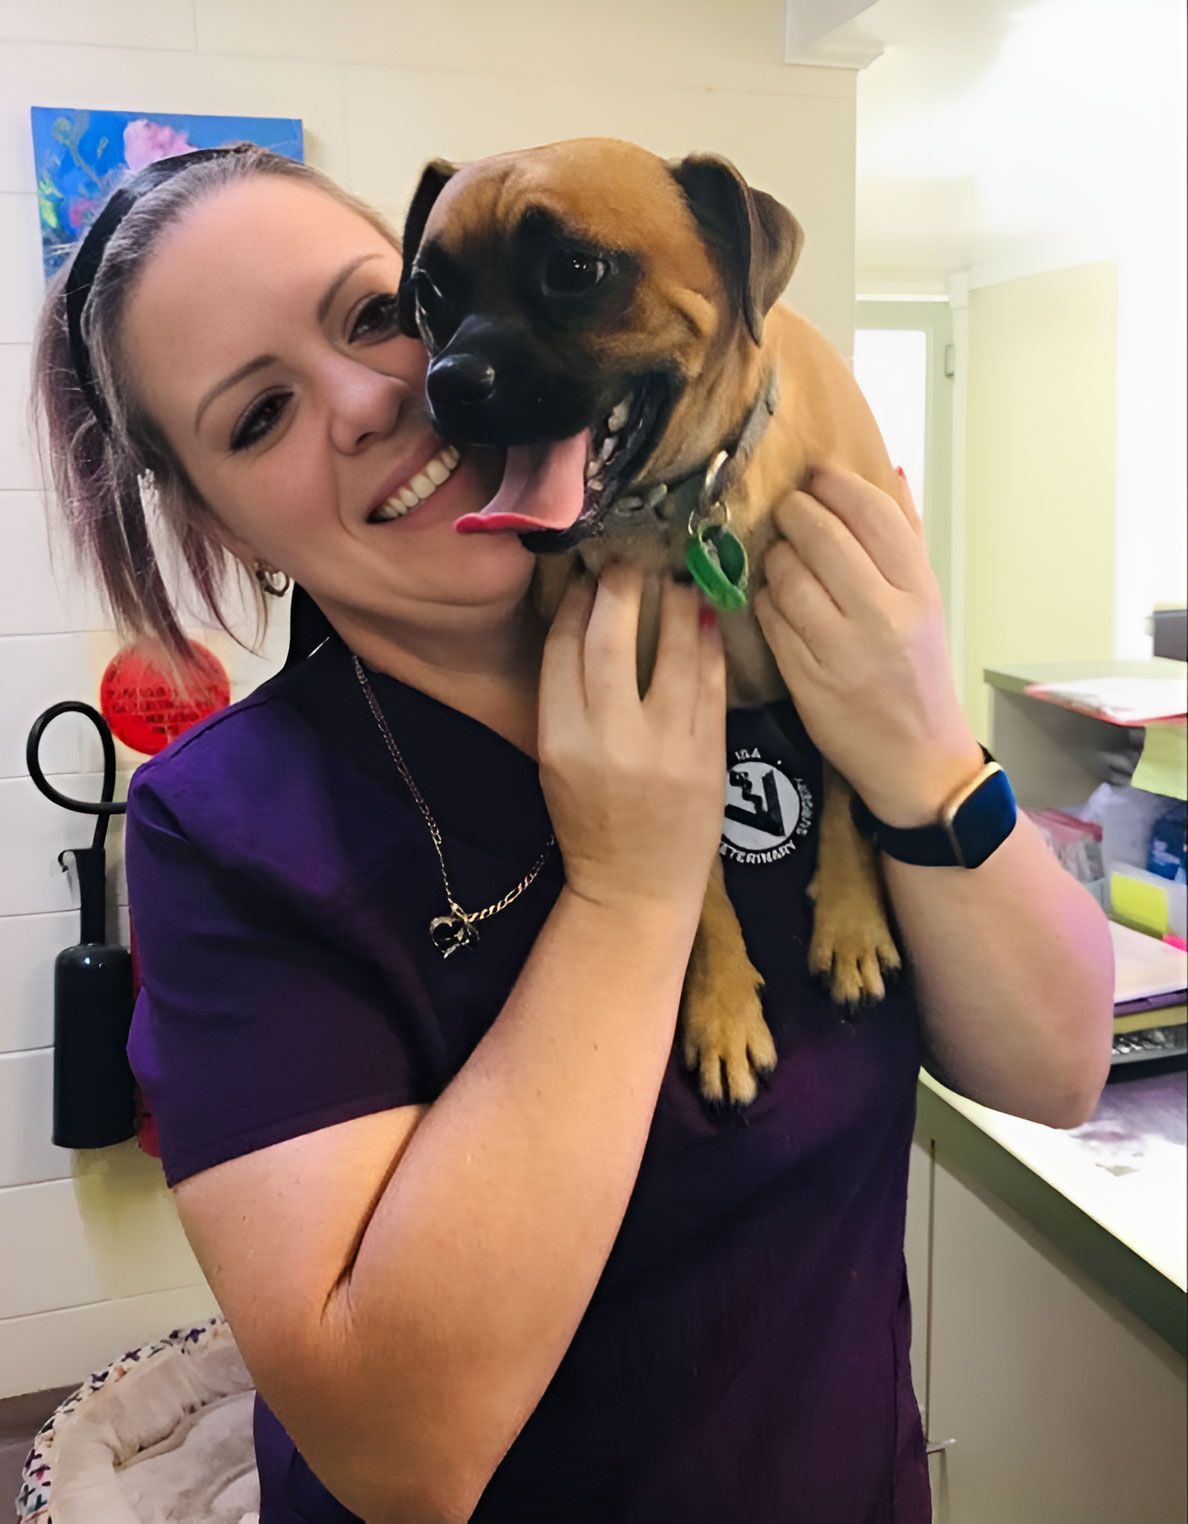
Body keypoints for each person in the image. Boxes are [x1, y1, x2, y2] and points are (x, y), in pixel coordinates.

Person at [32, 144, 1114, 1524]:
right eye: (258, 419)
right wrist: (628, 898)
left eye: (377, 315)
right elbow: (401, 1453)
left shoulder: (774, 653)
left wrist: (920, 750)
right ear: (224, 530)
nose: (379, 396)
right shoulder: (231, 835)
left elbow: (1056, 1066)